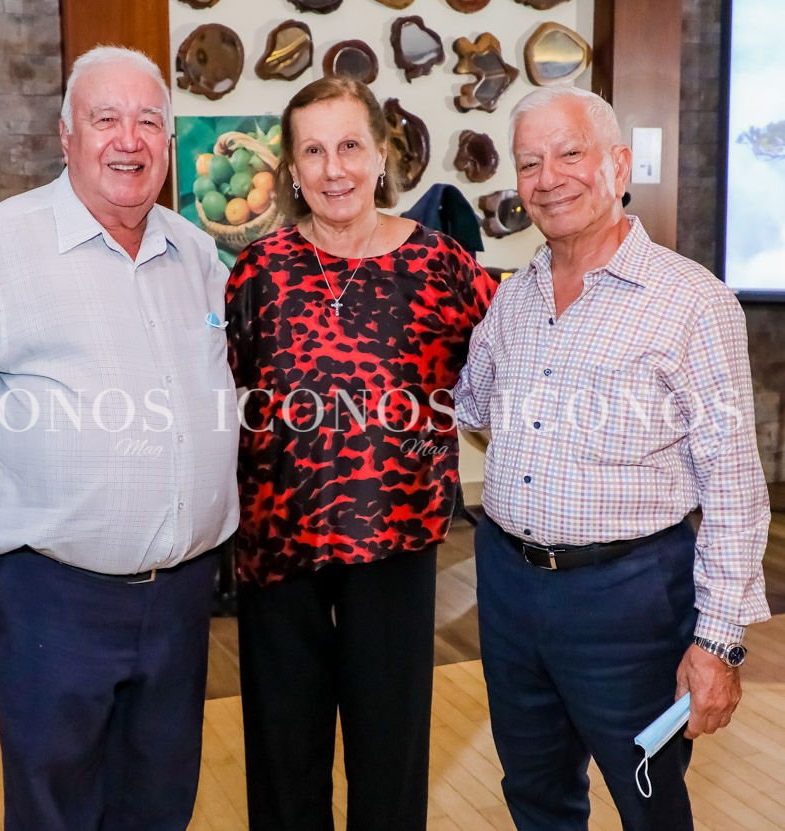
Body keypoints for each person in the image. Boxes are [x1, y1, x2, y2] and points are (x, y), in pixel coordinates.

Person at [0, 46, 238, 831]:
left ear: (168, 141)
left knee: (160, 802)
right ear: (66, 136)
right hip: (53, 598)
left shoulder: (194, 253)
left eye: (148, 121)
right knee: (55, 807)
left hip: (182, 596)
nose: (129, 139)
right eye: (105, 118)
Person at [455, 85, 770, 831]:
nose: (548, 178)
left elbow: (734, 486)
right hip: (507, 585)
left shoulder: (692, 302)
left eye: (570, 153)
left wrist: (718, 642)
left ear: (618, 164)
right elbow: (471, 407)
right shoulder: (514, 296)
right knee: (534, 793)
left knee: (648, 803)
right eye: (530, 162)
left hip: (629, 599)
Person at [225, 76, 498, 831]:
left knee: (389, 761)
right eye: (313, 151)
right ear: (291, 169)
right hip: (277, 548)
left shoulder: (442, 265)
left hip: (396, 546)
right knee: (284, 763)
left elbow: (516, 365)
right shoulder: (257, 271)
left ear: (381, 155)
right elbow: (228, 393)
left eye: (349, 145)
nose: (333, 168)